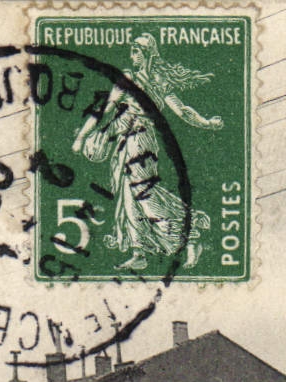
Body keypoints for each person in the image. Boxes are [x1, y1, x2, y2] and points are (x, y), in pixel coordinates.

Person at [71, 34, 219, 270]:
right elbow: (104, 109)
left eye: (137, 51)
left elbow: (182, 111)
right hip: (122, 142)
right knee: (127, 196)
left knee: (143, 192)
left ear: (148, 53)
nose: (132, 56)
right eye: (131, 51)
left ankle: (190, 235)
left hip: (142, 140)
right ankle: (138, 252)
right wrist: (82, 136)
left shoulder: (159, 81)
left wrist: (206, 123)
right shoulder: (127, 78)